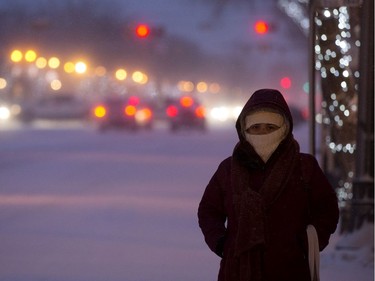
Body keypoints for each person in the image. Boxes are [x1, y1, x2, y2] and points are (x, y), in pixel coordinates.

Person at [197, 88, 339, 281]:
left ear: (284, 128)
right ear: (245, 129)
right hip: (237, 271)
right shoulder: (229, 169)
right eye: (255, 127)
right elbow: (209, 210)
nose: (262, 132)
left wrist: (307, 243)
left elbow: (327, 209)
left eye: (270, 127)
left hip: (290, 270)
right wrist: (221, 243)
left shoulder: (304, 167)